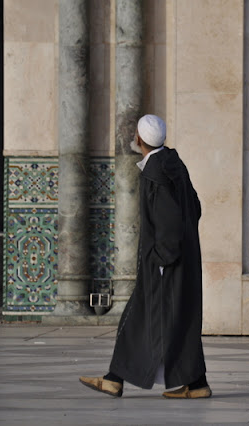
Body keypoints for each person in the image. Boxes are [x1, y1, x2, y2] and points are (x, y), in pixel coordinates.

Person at [80, 114, 210, 399]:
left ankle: (115, 380)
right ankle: (197, 383)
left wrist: (163, 257)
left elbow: (171, 220)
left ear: (138, 140)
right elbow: (195, 208)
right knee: (179, 319)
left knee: (138, 317)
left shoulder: (155, 174)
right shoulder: (174, 164)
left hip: (165, 264)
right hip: (183, 259)